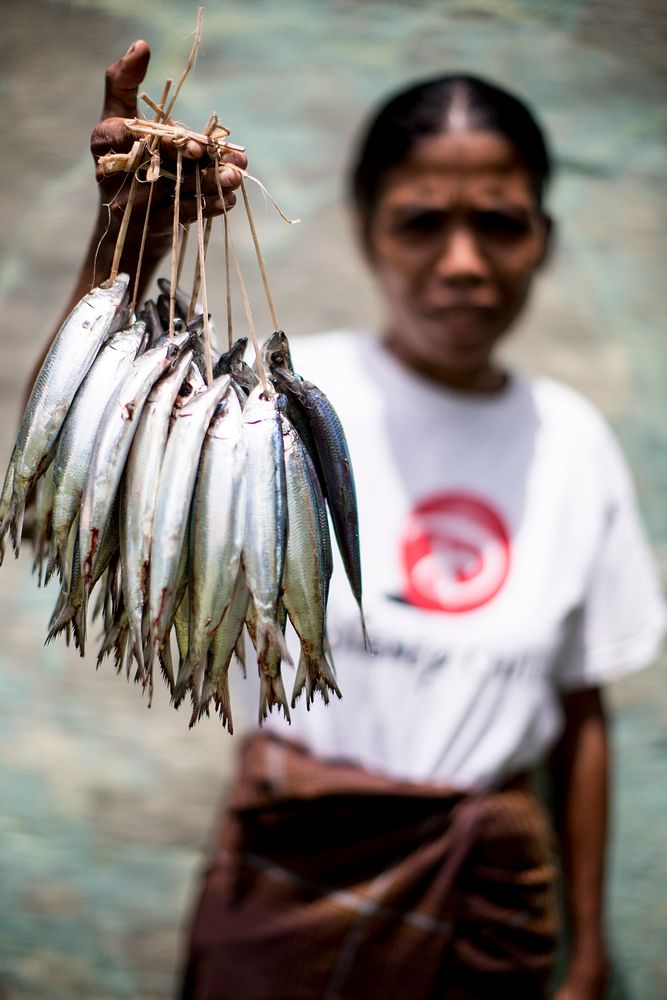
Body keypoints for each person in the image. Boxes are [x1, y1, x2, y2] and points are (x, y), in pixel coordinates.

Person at [57, 42, 664, 1000]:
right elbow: (104, 421)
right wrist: (130, 245)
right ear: (371, 231)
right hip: (288, 877)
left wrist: (586, 953)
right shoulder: (274, 401)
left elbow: (580, 711)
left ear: (541, 237)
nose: (462, 262)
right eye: (422, 222)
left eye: (498, 224)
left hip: (485, 902)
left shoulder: (574, 441)